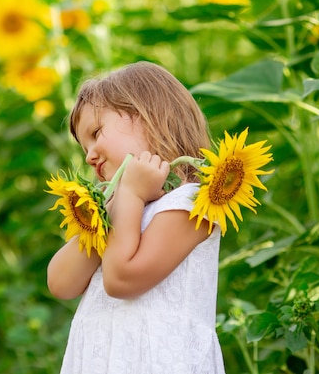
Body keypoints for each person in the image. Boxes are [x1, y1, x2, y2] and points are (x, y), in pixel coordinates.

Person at [47, 61, 226, 374]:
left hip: (160, 361)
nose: (89, 155)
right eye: (84, 146)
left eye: (96, 133)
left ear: (149, 117)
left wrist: (130, 195)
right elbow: (61, 282)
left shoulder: (191, 205)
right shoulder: (120, 208)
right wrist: (111, 208)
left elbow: (122, 279)